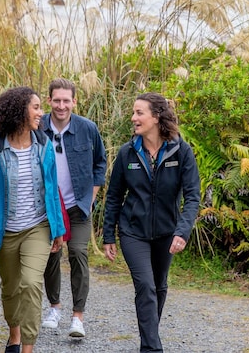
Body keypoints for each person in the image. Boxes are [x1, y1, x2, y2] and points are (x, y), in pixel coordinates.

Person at [102, 92, 201, 353]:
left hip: (167, 231)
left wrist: (182, 231)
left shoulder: (181, 151)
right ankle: (152, 348)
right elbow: (113, 197)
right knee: (145, 286)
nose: (133, 118)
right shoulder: (127, 153)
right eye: (134, 113)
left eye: (139, 113)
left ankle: (150, 337)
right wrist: (108, 235)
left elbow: (193, 197)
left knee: (159, 286)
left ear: (156, 117)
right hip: (133, 231)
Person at [0, 86, 66, 353]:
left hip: (37, 227)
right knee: (11, 287)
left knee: (31, 284)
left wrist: (58, 229)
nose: (41, 112)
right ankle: (14, 335)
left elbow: (52, 189)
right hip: (6, 232)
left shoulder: (44, 145)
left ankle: (27, 347)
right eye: (36, 107)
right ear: (19, 111)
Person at [39, 78, 107, 338]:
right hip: (49, 208)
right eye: (56, 100)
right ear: (49, 101)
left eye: (66, 100)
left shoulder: (87, 128)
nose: (61, 105)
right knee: (51, 255)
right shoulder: (37, 128)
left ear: (74, 102)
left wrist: (91, 197)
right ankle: (54, 308)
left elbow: (100, 163)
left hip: (78, 206)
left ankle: (78, 317)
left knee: (78, 253)